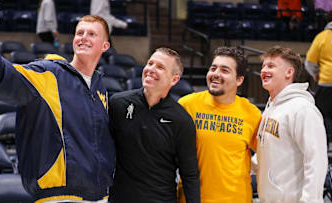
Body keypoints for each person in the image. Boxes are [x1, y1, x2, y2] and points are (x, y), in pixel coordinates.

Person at [0, 6, 115, 203]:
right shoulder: (48, 74)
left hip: (100, 197)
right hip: (58, 197)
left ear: (105, 46)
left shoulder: (101, 91)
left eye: (91, 34)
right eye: (79, 33)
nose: (83, 37)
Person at [108, 47, 200, 203]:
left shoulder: (182, 121)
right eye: (150, 63)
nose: (151, 69)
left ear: (174, 79)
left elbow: (189, 174)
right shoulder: (118, 103)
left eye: (160, 67)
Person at [177, 46, 262, 203]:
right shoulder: (187, 105)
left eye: (224, 70)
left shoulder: (252, 114)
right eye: (213, 68)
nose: (216, 74)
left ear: (239, 80)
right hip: (192, 199)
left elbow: (267, 155)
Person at [257, 45, 328, 203]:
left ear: (289, 72)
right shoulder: (272, 106)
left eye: (271, 66)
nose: (264, 71)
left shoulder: (303, 109)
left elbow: (316, 161)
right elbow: (269, 154)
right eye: (263, 66)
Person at [305, 11, 332, 143]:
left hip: (327, 82)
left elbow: (310, 61)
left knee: (322, 115)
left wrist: (315, 74)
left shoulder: (322, 37)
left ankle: (326, 148)